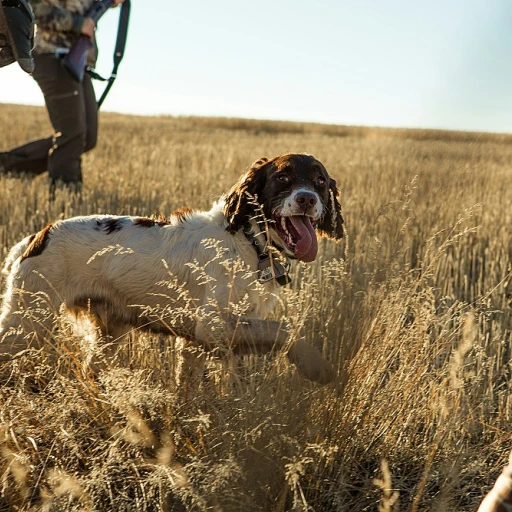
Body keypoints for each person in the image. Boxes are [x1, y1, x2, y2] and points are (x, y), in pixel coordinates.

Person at [0, 0, 124, 195]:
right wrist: (76, 24)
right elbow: (31, 8)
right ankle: (65, 196)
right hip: (51, 56)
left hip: (78, 62)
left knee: (87, 137)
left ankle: (6, 165)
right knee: (73, 134)